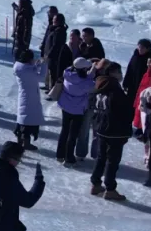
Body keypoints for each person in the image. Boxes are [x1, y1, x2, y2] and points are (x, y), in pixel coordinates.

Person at [89, 61, 133, 200]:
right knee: (112, 161)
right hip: (114, 130)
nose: (121, 75)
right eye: (119, 72)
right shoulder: (114, 89)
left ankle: (96, 183)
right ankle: (110, 188)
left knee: (101, 157)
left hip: (101, 127)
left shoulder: (100, 86)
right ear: (113, 73)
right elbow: (124, 112)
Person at [56, 57, 96, 166]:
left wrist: (89, 65)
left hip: (65, 106)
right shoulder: (86, 83)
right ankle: (69, 157)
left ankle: (60, 154)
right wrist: (93, 67)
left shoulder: (67, 74)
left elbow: (84, 75)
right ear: (84, 69)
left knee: (64, 131)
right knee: (73, 134)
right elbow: (91, 82)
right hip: (77, 110)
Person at [13, 50, 46, 150]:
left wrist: (37, 65)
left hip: (27, 97)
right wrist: (44, 65)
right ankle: (25, 143)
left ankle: (20, 141)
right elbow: (41, 78)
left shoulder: (22, 68)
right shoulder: (26, 71)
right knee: (27, 120)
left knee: (24, 119)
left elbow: (32, 70)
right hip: (30, 98)